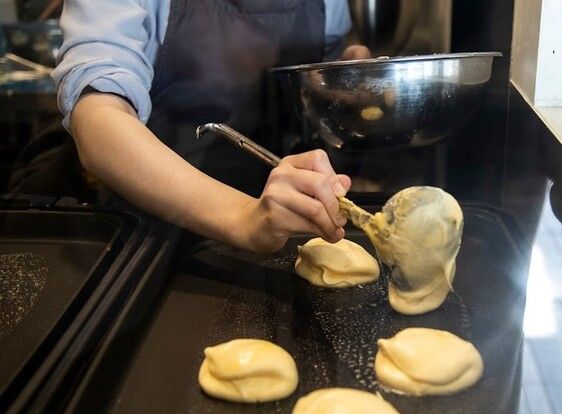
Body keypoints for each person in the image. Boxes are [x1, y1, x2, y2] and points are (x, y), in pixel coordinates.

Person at [52, 0, 371, 254]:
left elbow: (314, 75)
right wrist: (245, 217)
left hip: (288, 236)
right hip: (152, 242)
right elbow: (98, 119)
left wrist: (341, 78)